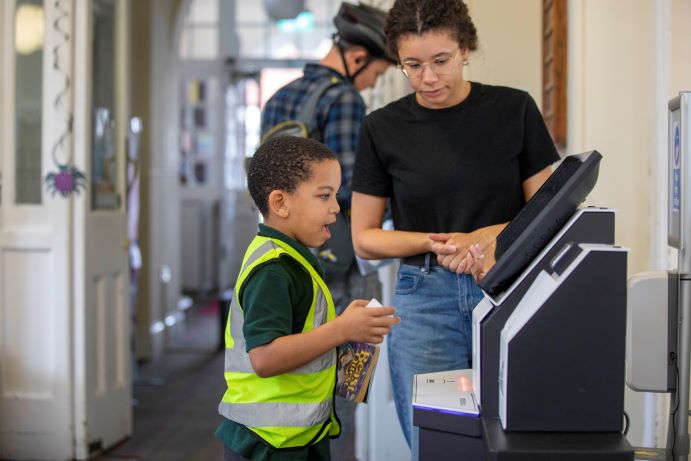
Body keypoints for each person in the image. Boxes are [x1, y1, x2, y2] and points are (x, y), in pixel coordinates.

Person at [350, 0, 561, 458]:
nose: (428, 78)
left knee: (519, 435)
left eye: (440, 61)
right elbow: (364, 236)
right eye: (413, 65)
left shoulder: (514, 110)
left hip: (509, 289)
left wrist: (485, 239)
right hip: (425, 298)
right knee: (437, 444)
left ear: (465, 49)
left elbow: (549, 210)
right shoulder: (382, 128)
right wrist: (435, 241)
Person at [260, 3, 395, 459]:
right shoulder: (343, 99)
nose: (374, 81)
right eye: (376, 72)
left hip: (284, 251)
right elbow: (351, 186)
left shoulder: (280, 96)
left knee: (293, 353)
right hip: (335, 257)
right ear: (357, 58)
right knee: (347, 372)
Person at [215, 136, 399, 461]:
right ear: (281, 203)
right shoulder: (273, 268)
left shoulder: (294, 257)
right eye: (324, 196)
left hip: (299, 436)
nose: (336, 207)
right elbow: (265, 358)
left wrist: (348, 331)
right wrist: (341, 330)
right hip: (268, 445)